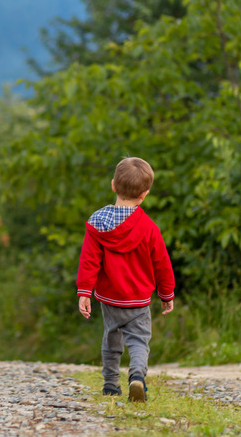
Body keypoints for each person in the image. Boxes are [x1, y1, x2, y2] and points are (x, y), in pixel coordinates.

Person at [76, 157, 175, 403]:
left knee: (111, 339)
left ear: (113, 185)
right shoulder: (149, 227)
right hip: (139, 299)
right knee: (139, 341)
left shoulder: (97, 224)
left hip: (110, 298)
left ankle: (110, 385)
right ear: (144, 195)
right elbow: (162, 263)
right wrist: (167, 294)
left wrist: (84, 292)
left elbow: (89, 260)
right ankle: (137, 377)